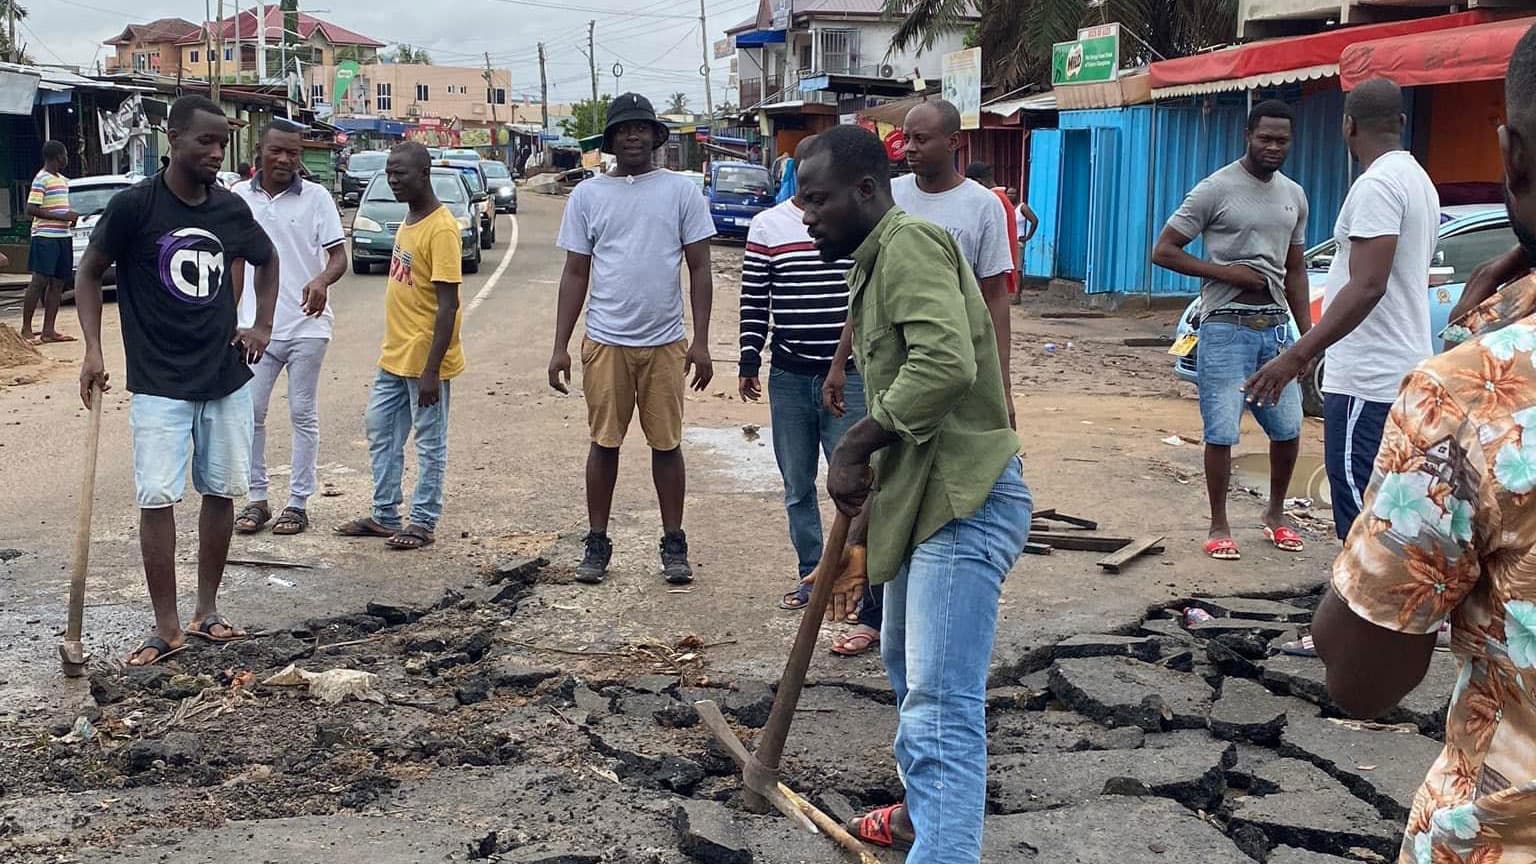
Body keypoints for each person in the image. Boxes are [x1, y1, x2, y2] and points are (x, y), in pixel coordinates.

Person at [1311, 27, 1536, 863]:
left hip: (1503, 833)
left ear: (1513, 160)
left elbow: (1360, 678)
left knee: (1363, 554)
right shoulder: (1415, 180)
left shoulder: (1474, 390)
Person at [798, 125, 1032, 863]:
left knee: (940, 710)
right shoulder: (872, 262)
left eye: (818, 199)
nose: (806, 215)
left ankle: (943, 847)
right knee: (908, 673)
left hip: (965, 506)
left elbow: (945, 365)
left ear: (867, 191)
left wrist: (858, 442)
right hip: (925, 504)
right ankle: (919, 819)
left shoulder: (908, 247)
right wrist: (866, 520)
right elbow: (913, 396)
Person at [75, 95, 280, 666]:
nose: (216, 152)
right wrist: (92, 349)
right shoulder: (135, 208)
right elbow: (89, 273)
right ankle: (167, 626)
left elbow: (267, 259)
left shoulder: (230, 211)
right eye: (205, 142)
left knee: (221, 491)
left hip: (225, 375)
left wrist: (260, 324)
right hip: (159, 380)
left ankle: (206, 610)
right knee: (158, 496)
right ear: (174, 139)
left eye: (222, 143)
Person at [1245, 80, 1440, 544]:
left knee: (1359, 517)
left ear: (1347, 125)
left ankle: (1362, 613)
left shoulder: (1377, 185)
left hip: (1366, 380)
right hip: (1402, 372)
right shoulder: (1418, 180)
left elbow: (1368, 284)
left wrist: (1298, 353)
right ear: (1403, 123)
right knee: (1393, 512)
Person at [548, 92, 715, 585]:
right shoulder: (588, 195)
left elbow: (701, 267)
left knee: (667, 446)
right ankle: (597, 543)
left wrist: (700, 341)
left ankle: (674, 543)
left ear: (657, 136)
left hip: (666, 343)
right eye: (624, 130)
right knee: (604, 444)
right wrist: (560, 345)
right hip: (605, 340)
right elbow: (575, 272)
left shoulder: (681, 192)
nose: (634, 136)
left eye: (642, 128)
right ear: (611, 140)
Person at [1152, 100, 1312, 561]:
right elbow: (1164, 250)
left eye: (1282, 140)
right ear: (1248, 136)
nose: (1274, 147)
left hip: (1276, 330)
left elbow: (1296, 270)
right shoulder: (1215, 189)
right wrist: (1227, 272)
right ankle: (1219, 523)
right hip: (1224, 328)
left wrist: (1306, 338)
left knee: (1287, 429)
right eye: (1265, 138)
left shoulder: (1294, 195)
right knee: (1221, 431)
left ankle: (1276, 515)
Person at [739, 135, 877, 656]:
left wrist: (843, 364)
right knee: (797, 482)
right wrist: (749, 360)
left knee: (858, 482)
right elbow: (755, 298)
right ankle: (811, 574)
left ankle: (858, 578)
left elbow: (861, 301)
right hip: (790, 375)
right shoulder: (767, 226)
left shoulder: (851, 229)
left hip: (853, 373)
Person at [335, 142, 463, 550]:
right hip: (394, 354)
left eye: (400, 174)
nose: (392, 181)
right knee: (381, 430)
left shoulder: (441, 228)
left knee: (429, 442)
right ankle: (384, 513)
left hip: (425, 360)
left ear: (424, 174)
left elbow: (448, 305)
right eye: (389, 174)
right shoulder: (411, 218)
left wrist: (431, 371)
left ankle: (423, 521)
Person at [231, 119, 347, 537]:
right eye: (277, 151)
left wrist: (321, 281)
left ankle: (298, 503)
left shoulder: (316, 198)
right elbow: (234, 263)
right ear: (259, 149)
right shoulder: (238, 197)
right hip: (254, 329)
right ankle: (256, 499)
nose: (284, 159)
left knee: (302, 414)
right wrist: (230, 317)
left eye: (293, 153)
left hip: (307, 327)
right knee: (252, 414)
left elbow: (338, 257)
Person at [887, 101, 1015, 427]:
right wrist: (840, 360)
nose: (910, 149)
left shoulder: (983, 205)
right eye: (907, 138)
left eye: (921, 139)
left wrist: (1003, 384)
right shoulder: (890, 197)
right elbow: (866, 281)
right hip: (895, 356)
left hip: (958, 356)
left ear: (953, 142)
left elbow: (995, 296)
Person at [23, 140, 80, 345]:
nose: (67, 158)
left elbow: (58, 207)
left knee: (57, 284)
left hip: (62, 237)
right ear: (58, 157)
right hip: (45, 237)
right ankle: (27, 330)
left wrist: (69, 219)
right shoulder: (41, 179)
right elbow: (31, 209)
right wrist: (63, 217)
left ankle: (49, 330)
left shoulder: (63, 180)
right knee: (39, 281)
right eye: (65, 155)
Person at [964, 161, 1020, 298]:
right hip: (1001, 268)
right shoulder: (1002, 198)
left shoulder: (991, 200)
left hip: (992, 271)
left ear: (978, 182)